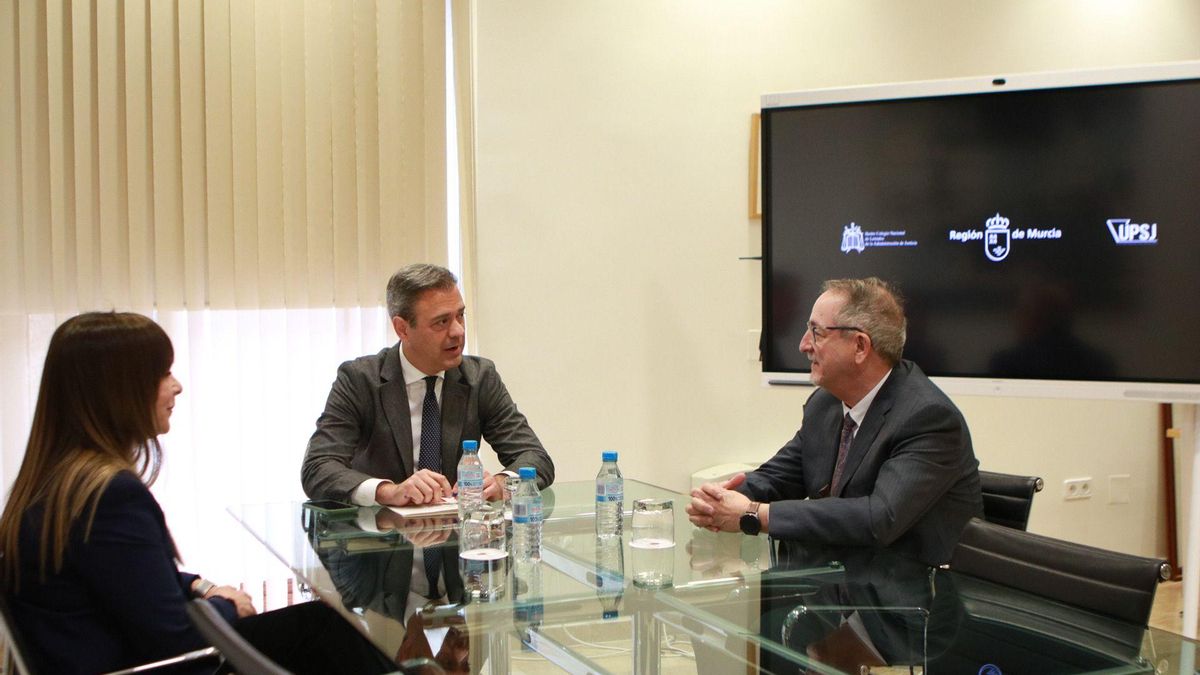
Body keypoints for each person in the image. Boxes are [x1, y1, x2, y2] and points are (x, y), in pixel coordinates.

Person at [0, 312, 395, 674]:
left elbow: (124, 576)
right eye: (163, 373)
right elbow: (177, 638)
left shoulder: (52, 483)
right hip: (161, 666)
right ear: (119, 391)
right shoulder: (110, 496)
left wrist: (198, 586)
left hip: (109, 656)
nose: (177, 386)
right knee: (332, 635)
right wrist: (227, 605)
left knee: (320, 626)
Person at [687, 278, 981, 565]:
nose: (803, 345)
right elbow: (782, 476)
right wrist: (724, 499)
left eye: (817, 332)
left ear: (860, 346)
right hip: (841, 584)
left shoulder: (928, 418)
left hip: (917, 599)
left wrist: (752, 514)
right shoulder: (824, 404)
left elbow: (878, 518)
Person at [302, 263, 554, 507]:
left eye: (460, 316)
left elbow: (535, 458)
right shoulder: (360, 379)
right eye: (441, 322)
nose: (457, 331)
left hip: (455, 537)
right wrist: (388, 491)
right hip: (381, 538)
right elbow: (318, 467)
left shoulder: (479, 377)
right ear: (402, 328)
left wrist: (501, 484)